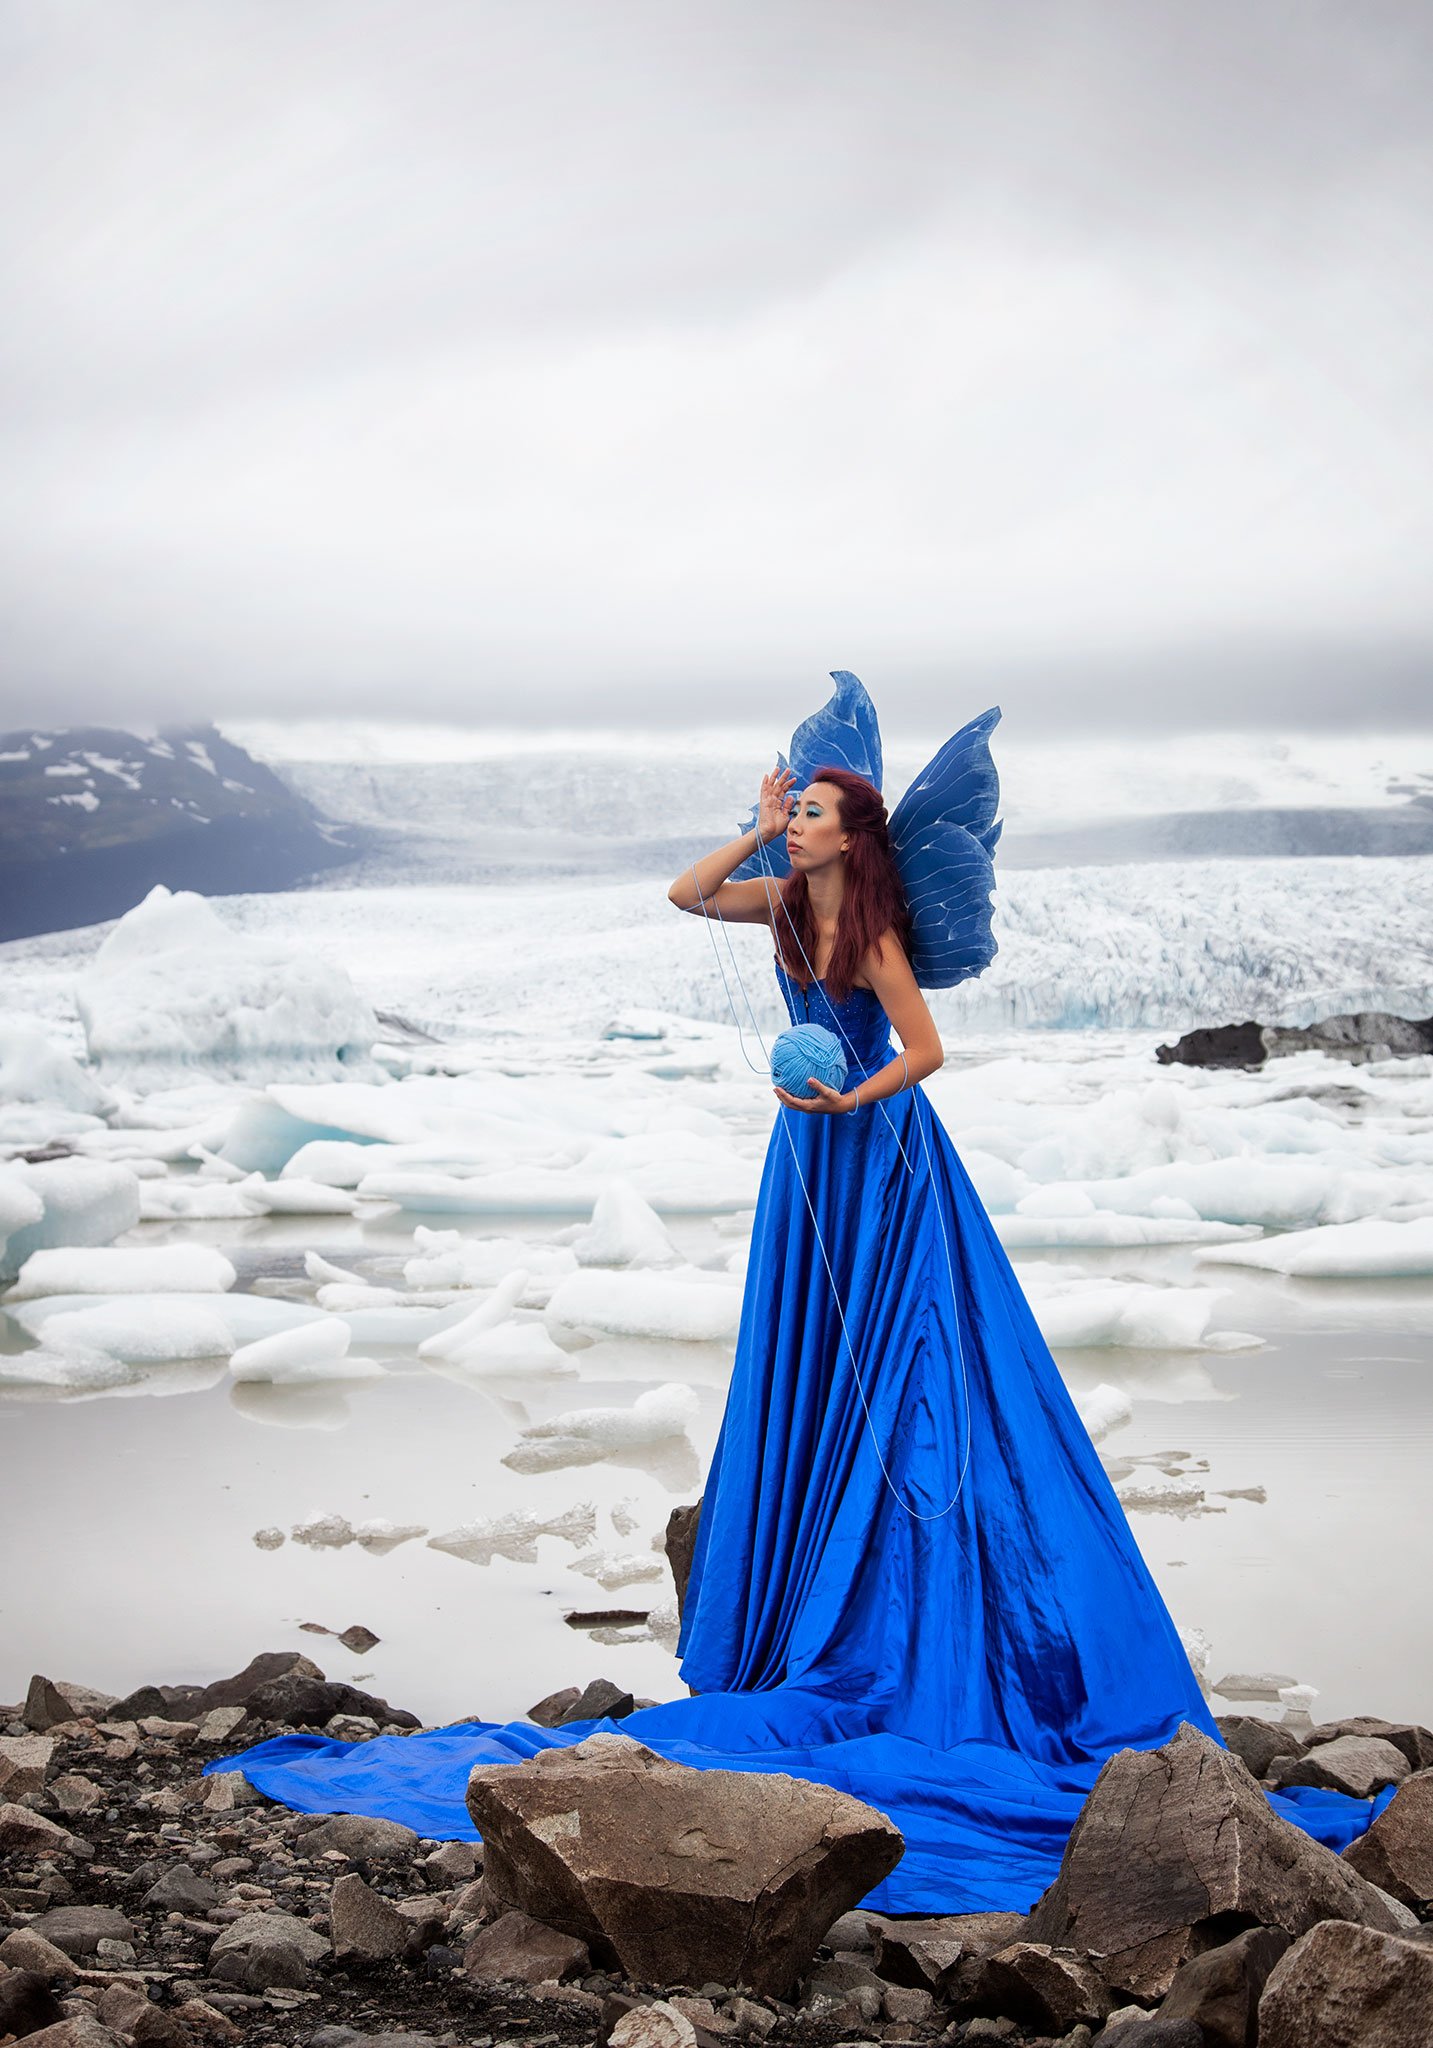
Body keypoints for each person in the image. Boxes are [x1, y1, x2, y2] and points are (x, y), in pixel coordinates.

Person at [202, 685, 1390, 1914]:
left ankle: (920, 1596)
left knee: (914, 1364)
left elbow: (925, 1051)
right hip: (804, 1153)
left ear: (852, 834)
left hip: (876, 1152)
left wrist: (852, 1102)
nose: (798, 819)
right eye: (796, 808)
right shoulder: (778, 902)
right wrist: (758, 828)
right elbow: (680, 896)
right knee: (813, 1359)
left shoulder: (869, 934)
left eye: (812, 809)